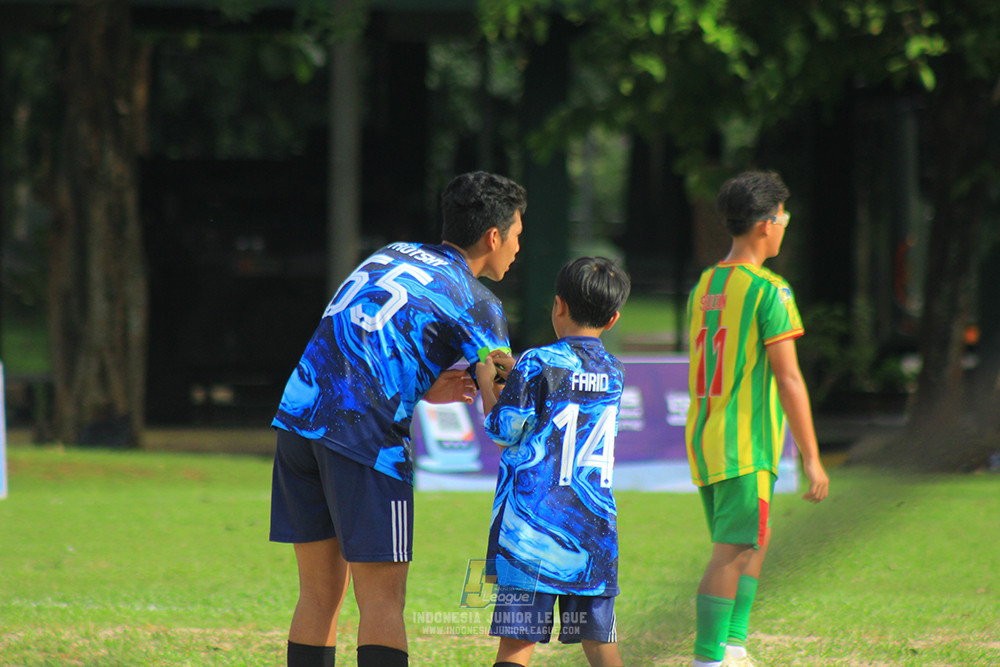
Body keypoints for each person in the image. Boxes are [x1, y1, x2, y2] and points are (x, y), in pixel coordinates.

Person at [268, 171, 525, 667]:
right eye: (516, 233)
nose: (517, 245)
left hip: (298, 420)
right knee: (383, 601)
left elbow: (364, 339)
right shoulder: (479, 301)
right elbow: (501, 412)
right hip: (365, 441)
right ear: (493, 237)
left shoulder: (393, 253)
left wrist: (422, 387)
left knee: (319, 597)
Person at [685, 170, 830, 667]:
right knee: (733, 550)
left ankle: (733, 645)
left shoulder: (705, 284)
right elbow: (789, 380)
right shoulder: (771, 290)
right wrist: (812, 458)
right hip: (745, 441)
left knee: (753, 540)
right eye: (783, 215)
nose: (786, 223)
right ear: (766, 224)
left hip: (707, 436)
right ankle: (709, 657)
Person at [476, 256, 632, 667]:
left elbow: (503, 432)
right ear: (613, 319)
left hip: (531, 531)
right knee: (601, 646)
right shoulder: (615, 372)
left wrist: (485, 381)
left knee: (516, 646)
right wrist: (519, 376)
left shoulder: (537, 362)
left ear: (558, 305)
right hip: (594, 534)